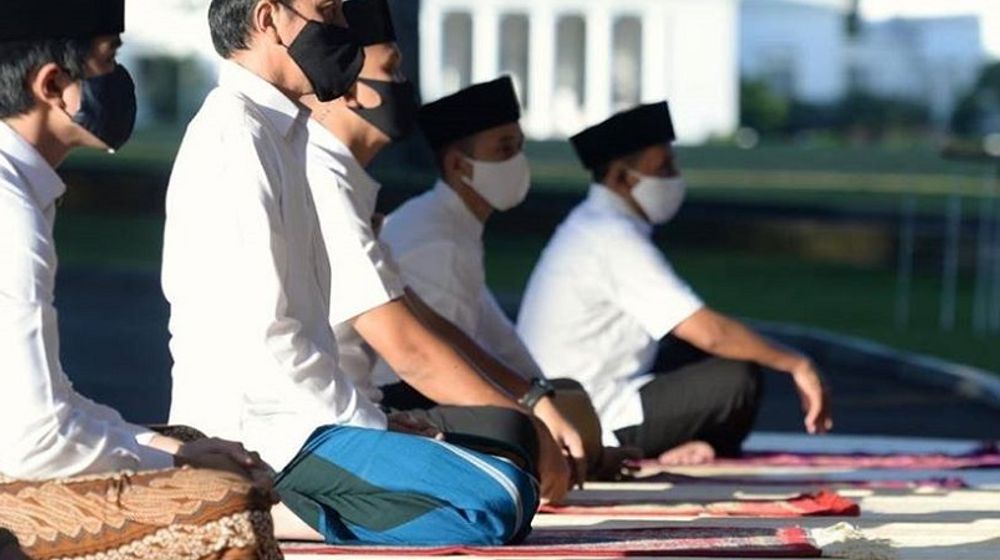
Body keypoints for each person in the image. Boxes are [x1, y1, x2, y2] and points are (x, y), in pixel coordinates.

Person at [163, 0, 537, 545]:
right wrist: (368, 425)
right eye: (328, 13)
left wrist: (370, 419)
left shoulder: (278, 134)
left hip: (306, 417)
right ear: (268, 19)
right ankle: (255, 508)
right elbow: (268, 345)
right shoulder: (235, 139)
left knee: (504, 467)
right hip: (264, 432)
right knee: (497, 497)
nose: (341, 31)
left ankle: (282, 505)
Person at [0, 1, 280, 558]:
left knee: (193, 448)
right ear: (54, 84)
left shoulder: (22, 190)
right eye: (107, 60)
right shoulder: (10, 210)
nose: (118, 80)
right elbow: (36, 438)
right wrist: (164, 462)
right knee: (225, 506)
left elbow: (49, 400)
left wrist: (170, 451)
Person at [302, 0, 584, 501]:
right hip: (325, 430)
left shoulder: (350, 185)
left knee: (547, 410)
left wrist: (535, 398)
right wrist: (529, 423)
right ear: (346, 88)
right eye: (391, 71)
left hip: (359, 413)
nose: (403, 89)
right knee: (514, 438)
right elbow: (411, 351)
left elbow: (436, 325)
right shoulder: (326, 183)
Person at [517, 102, 833, 465]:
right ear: (621, 178)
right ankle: (675, 445)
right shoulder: (610, 237)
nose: (674, 178)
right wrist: (795, 363)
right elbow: (708, 330)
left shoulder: (593, 223)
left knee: (714, 354)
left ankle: (691, 442)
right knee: (739, 377)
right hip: (595, 412)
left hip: (596, 388)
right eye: (663, 168)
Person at [374, 76, 637, 479]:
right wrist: (533, 408)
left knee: (568, 399)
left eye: (519, 147)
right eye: (504, 149)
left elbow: (500, 342)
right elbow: (439, 356)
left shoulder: (455, 226)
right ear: (458, 164)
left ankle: (580, 458)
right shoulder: (433, 237)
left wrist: (543, 397)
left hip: (431, 387)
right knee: (522, 423)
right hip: (399, 400)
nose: (517, 161)